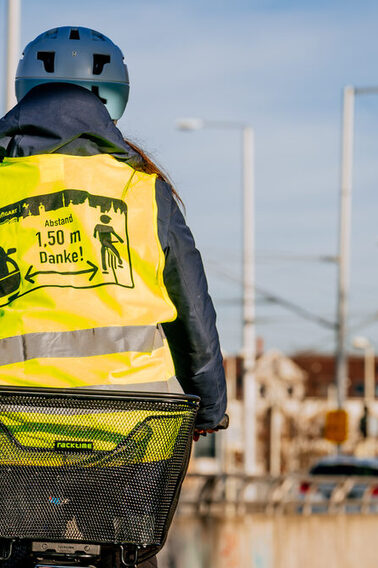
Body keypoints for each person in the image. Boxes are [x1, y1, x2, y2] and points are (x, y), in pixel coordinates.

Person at [0, 26, 227, 568]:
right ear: (114, 102)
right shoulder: (143, 190)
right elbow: (192, 311)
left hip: (10, 427)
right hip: (129, 430)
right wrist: (210, 407)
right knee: (126, 555)